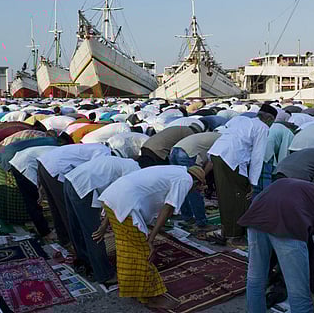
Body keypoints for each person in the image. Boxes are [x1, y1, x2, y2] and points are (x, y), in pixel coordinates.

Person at [98, 165, 206, 309]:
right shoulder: (185, 179)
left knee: (127, 250)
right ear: (196, 182)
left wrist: (105, 224)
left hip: (111, 199)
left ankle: (134, 289)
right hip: (125, 204)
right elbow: (168, 208)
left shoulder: (175, 170)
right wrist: (151, 238)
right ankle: (152, 297)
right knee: (142, 251)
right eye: (198, 188)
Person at [238, 177, 314, 313]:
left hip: (256, 215)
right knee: (299, 293)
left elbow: (306, 240)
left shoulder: (302, 189)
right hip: (287, 222)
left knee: (256, 280)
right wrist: (313, 285)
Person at [63, 156, 140, 285]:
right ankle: (104, 274)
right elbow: (116, 199)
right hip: (83, 186)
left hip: (70, 180)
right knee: (94, 232)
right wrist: (104, 225)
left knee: (77, 226)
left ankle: (85, 262)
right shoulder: (133, 172)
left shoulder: (124, 163)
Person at [207, 112, 271, 245]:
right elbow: (257, 156)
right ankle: (235, 236)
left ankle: (226, 231)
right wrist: (252, 183)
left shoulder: (240, 119)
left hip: (216, 153)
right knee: (241, 196)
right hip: (231, 159)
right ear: (270, 119)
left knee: (225, 195)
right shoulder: (263, 127)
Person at [170, 131, 221, 230]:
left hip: (174, 151)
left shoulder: (215, 136)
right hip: (186, 154)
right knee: (194, 188)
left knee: (182, 186)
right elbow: (211, 163)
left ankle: (187, 217)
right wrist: (201, 178)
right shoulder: (223, 141)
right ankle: (202, 222)